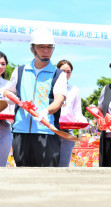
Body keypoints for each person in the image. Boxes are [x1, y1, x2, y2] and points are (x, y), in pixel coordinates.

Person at [3, 28, 67, 167]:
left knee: (47, 175)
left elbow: (59, 100)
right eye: (41, 47)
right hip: (21, 131)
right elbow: (8, 92)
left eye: (49, 47)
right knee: (22, 173)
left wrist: (46, 111)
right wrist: (10, 97)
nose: (46, 50)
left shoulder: (58, 74)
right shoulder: (20, 71)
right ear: (32, 49)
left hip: (47, 132)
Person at [57, 59, 87, 167]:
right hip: (51, 129)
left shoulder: (74, 90)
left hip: (68, 130)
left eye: (68, 71)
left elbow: (77, 112)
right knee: (48, 165)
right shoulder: (50, 87)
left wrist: (82, 121)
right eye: (62, 71)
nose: (65, 74)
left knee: (63, 164)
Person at [0, 52, 14, 167]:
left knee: (2, 165)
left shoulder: (8, 85)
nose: (0, 67)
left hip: (4, 127)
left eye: (3, 64)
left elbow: (13, 107)